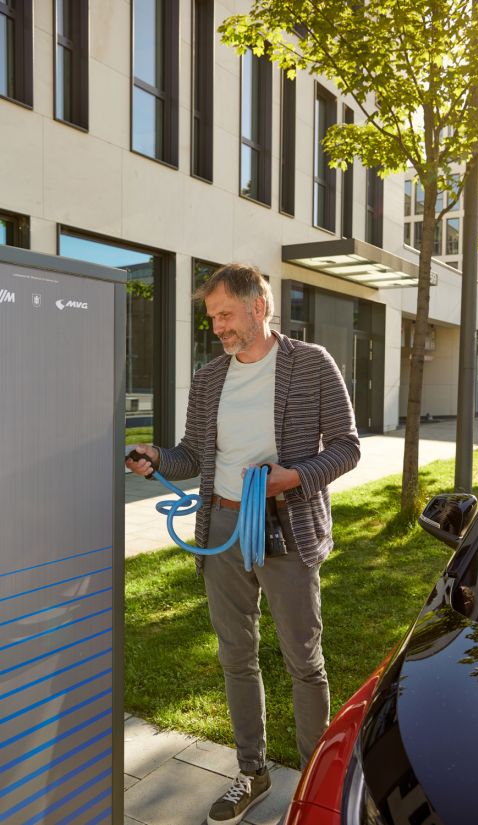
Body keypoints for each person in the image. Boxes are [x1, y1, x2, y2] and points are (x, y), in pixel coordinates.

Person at [126, 263, 360, 825]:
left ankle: (312, 785)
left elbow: (348, 448)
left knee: (304, 661)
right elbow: (192, 455)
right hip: (224, 529)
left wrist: (293, 477)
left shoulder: (311, 364)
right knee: (236, 657)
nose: (218, 328)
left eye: (225, 314)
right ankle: (251, 773)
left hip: (288, 528)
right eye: (212, 318)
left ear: (260, 306)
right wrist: (159, 458)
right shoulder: (209, 379)